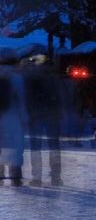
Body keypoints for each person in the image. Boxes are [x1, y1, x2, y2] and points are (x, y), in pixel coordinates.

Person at [20, 55, 63, 187]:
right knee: (54, 147)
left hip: (36, 117)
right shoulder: (54, 78)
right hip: (52, 117)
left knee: (36, 148)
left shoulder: (31, 79)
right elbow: (60, 97)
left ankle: (37, 177)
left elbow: (27, 98)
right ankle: (56, 177)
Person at [0, 55, 27, 186]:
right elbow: (21, 99)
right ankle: (15, 175)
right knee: (16, 145)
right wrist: (24, 117)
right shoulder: (17, 78)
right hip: (12, 117)